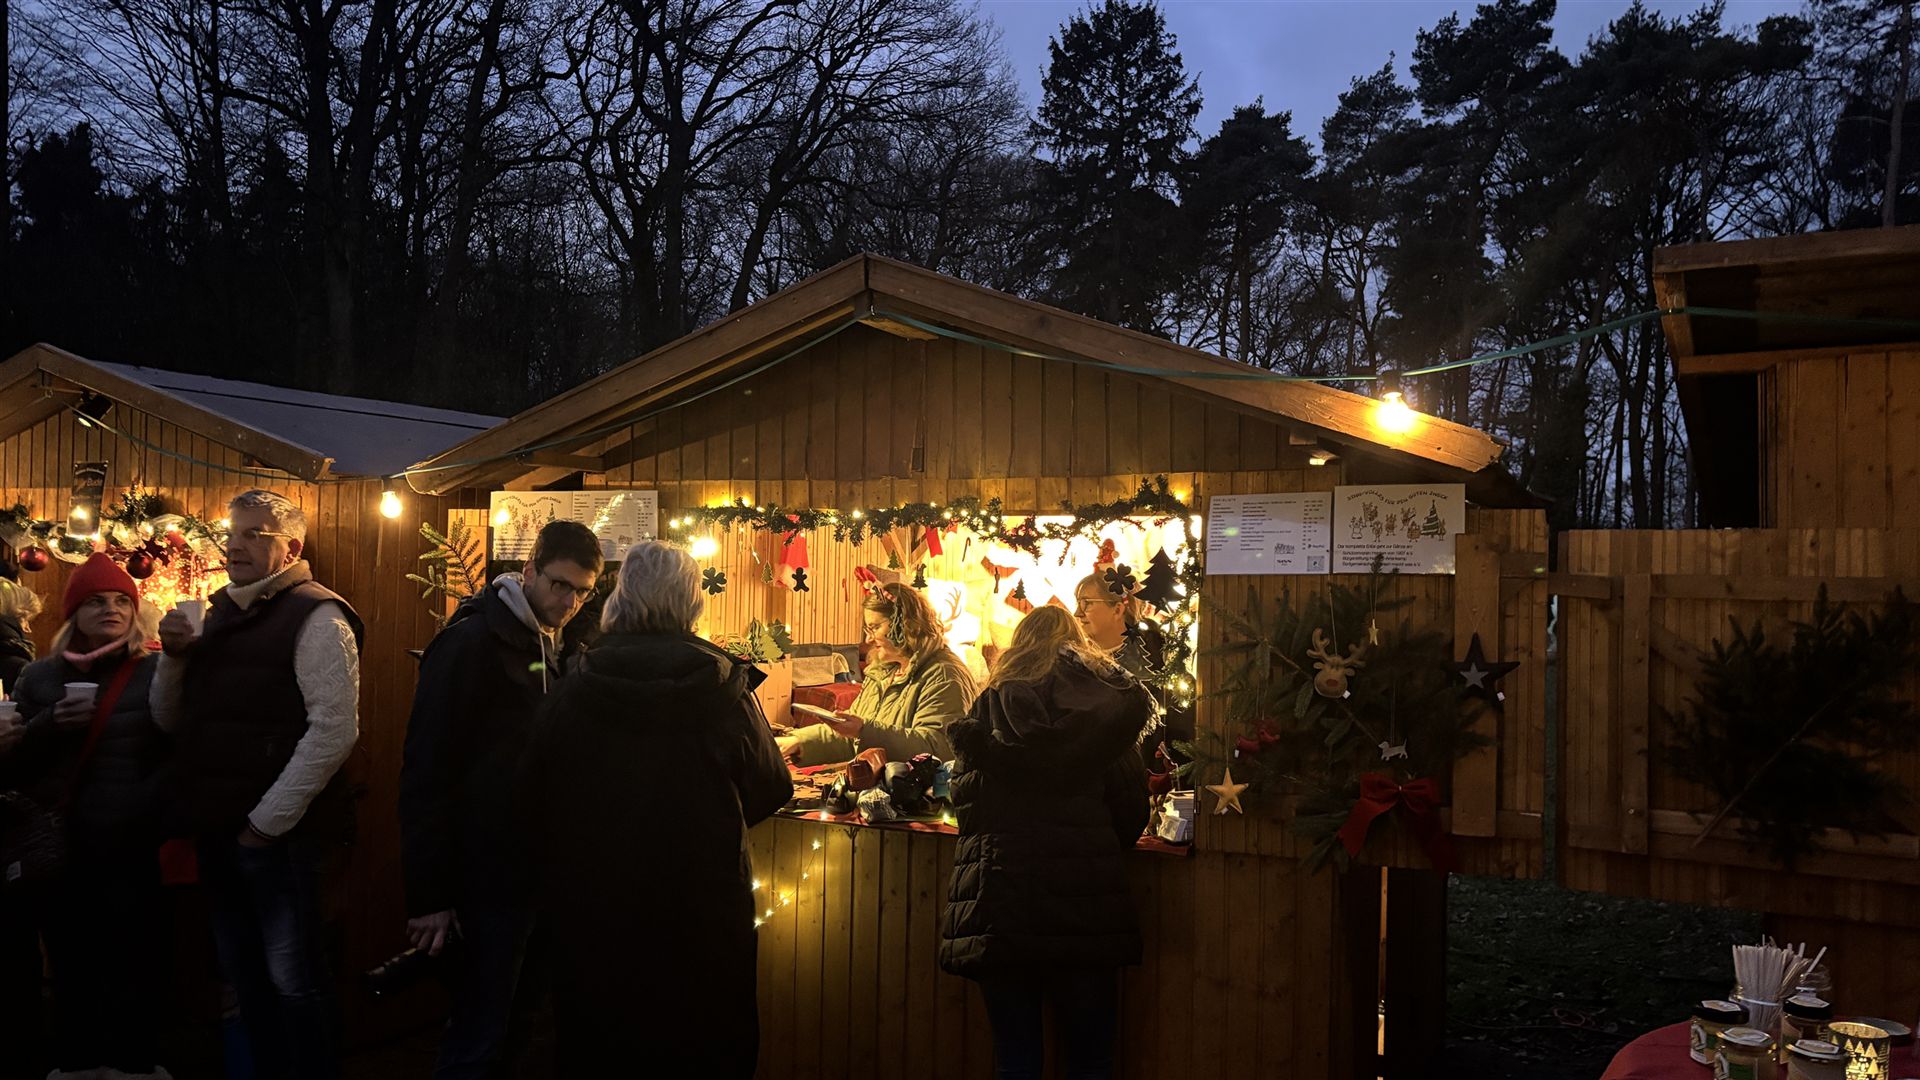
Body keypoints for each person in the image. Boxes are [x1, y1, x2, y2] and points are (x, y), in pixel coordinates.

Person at [519, 541, 791, 1076]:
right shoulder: (723, 686)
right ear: (692, 602)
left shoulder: (576, 683)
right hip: (702, 911)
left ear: (621, 597)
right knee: (702, 1047)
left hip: (596, 911)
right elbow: (771, 787)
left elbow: (532, 793)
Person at [154, 490, 362, 1080]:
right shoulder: (220, 614)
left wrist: (263, 827)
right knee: (245, 982)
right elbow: (169, 720)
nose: (235, 545)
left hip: (278, 841)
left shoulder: (319, 616)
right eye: (232, 532)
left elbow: (335, 731)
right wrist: (173, 658)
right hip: (220, 831)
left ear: (291, 548)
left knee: (295, 985)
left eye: (254, 534)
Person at [400, 519, 603, 1079]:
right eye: (559, 584)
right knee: (477, 1036)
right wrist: (429, 894)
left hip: (541, 876)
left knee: (518, 1029)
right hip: (485, 878)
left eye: (582, 592)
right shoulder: (471, 643)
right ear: (529, 571)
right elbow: (426, 768)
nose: (569, 602)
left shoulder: (563, 647)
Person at [939, 605, 1151, 1080]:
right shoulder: (1106, 716)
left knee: (1017, 1061)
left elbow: (967, 809)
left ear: (1017, 649)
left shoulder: (986, 713)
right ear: (1079, 649)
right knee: (1090, 1061)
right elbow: (1131, 815)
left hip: (1001, 903)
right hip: (1086, 906)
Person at [2, 553, 172, 1079]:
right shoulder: (39, 677)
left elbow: (178, 752)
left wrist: (146, 810)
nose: (111, 610)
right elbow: (15, 769)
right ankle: (75, 1063)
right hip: (60, 848)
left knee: (134, 963)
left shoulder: (156, 671)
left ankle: (133, 1065)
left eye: (122, 601)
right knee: (70, 964)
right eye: (96, 601)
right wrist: (49, 723)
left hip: (130, 845)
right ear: (75, 611)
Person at [781, 582, 976, 765]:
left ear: (904, 624)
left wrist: (864, 730)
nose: (868, 639)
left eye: (874, 627)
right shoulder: (883, 672)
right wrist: (798, 742)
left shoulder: (944, 676)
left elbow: (938, 748)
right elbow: (853, 737)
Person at [1073, 572, 1192, 751]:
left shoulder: (1158, 657)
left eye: (1087, 603)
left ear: (1117, 609)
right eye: (1078, 603)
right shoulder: (1073, 660)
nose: (1077, 613)